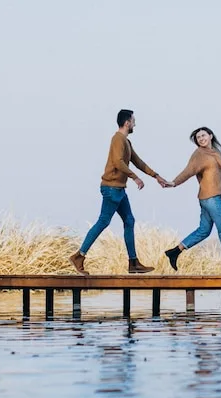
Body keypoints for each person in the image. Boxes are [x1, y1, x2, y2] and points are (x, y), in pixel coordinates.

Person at [70, 109, 170, 275]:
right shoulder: (117, 139)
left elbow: (138, 162)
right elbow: (118, 162)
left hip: (119, 190)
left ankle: (133, 263)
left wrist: (156, 176)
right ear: (127, 123)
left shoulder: (126, 142)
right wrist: (135, 178)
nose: (135, 124)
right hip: (111, 188)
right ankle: (79, 256)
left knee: (129, 221)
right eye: (133, 121)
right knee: (103, 221)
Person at [164, 127, 221, 275]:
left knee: (203, 231)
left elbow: (220, 176)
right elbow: (188, 171)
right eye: (198, 138)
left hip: (213, 197)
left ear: (210, 135)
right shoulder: (199, 154)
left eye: (203, 135)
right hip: (209, 197)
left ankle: (175, 251)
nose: (201, 139)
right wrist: (174, 182)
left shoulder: (216, 152)